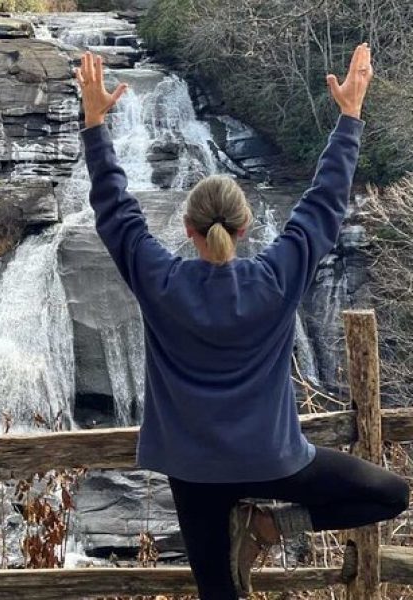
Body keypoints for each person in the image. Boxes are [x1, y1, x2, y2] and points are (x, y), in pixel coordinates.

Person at [75, 44, 409, 599]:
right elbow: (324, 205)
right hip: (274, 461)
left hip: (193, 473)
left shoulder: (160, 281)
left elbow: (115, 211)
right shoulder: (275, 279)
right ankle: (273, 526)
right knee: (389, 494)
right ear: (247, 228)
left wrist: (94, 121)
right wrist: (349, 116)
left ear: (187, 229)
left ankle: (263, 527)